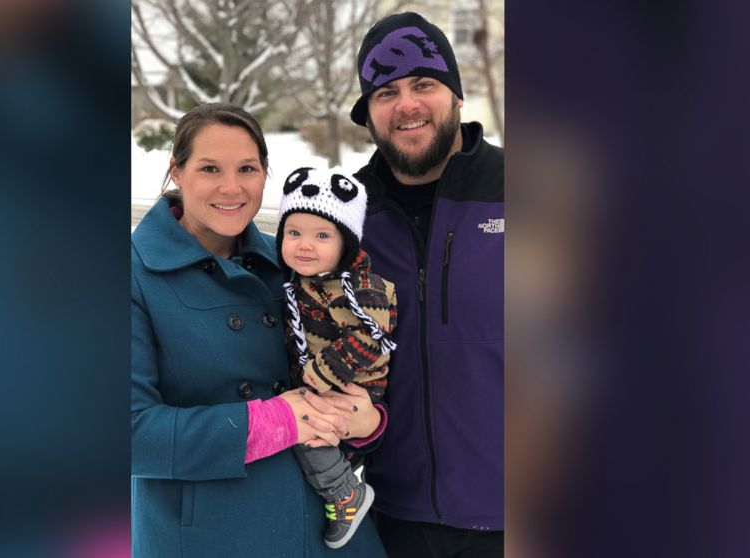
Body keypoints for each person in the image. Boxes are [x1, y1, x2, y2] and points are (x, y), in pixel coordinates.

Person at [131, 103, 387, 558]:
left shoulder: (292, 260)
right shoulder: (132, 272)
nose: (232, 188)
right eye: (210, 168)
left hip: (327, 529)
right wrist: (272, 423)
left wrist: (367, 423)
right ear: (176, 171)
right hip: (211, 534)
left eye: (247, 168)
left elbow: (354, 355)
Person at [348, 12, 505, 558]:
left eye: (424, 84)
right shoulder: (346, 215)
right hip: (389, 519)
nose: (407, 105)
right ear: (368, 114)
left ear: (457, 97)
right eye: (386, 91)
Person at [275, 166, 399, 549]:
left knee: (309, 433)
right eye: (293, 233)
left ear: (346, 245)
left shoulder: (361, 290)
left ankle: (346, 492)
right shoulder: (306, 282)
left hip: (354, 384)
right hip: (325, 380)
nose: (304, 245)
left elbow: (369, 339)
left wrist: (319, 374)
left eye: (322, 236)